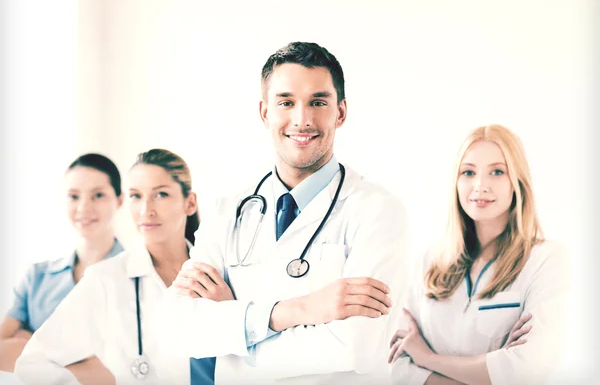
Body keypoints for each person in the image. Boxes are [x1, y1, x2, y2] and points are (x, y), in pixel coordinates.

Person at [155, 41, 409, 384]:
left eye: (318, 102)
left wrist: (233, 346)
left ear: (341, 112)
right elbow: (176, 328)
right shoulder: (228, 210)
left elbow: (357, 349)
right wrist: (299, 310)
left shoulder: (377, 211)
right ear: (265, 112)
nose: (302, 119)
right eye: (286, 102)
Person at [388, 124, 570, 385]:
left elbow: (528, 369)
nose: (480, 185)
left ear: (517, 181)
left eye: (497, 172)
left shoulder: (545, 260)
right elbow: (395, 364)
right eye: (469, 172)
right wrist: (493, 368)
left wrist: (426, 358)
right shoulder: (427, 262)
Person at [15, 149, 216, 385]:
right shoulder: (106, 279)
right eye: (135, 196)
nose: (145, 211)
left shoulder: (216, 270)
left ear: (190, 203)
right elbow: (33, 363)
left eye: (160, 194)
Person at [0, 153, 124, 373]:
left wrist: (30, 346)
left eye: (98, 195)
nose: (84, 207)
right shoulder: (37, 276)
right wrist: (80, 361)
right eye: (74, 196)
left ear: (119, 200)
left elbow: (118, 370)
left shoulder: (136, 277)